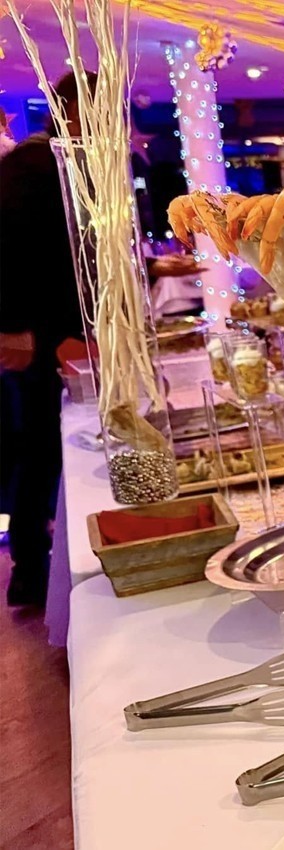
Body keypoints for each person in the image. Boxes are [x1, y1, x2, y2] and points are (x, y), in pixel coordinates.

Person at [0, 72, 93, 608]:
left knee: (40, 446)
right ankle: (32, 569)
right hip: (38, 335)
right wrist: (42, 331)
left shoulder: (46, 164)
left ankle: (35, 562)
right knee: (38, 447)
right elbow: (37, 261)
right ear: (71, 111)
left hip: (42, 331)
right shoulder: (33, 168)